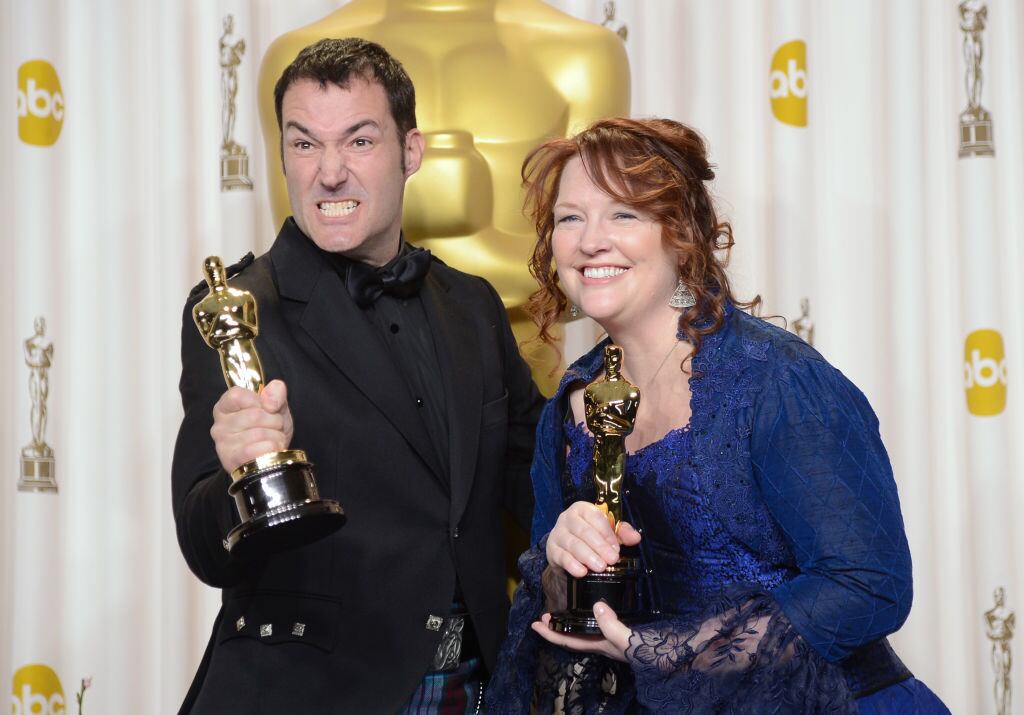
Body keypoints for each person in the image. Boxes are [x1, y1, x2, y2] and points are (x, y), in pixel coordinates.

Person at [487, 117, 950, 713]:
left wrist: (667, 652)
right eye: (569, 217)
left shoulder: (777, 382)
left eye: (624, 214)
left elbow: (868, 583)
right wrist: (560, 554)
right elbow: (554, 603)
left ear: (679, 235)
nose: (590, 240)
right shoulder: (571, 405)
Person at [172, 38, 543, 713]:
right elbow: (204, 544)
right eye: (305, 144)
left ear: (411, 152)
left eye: (360, 141)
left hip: (474, 687)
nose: (329, 172)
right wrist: (237, 477)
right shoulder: (238, 311)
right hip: (312, 694)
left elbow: (535, 475)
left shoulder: (473, 306)